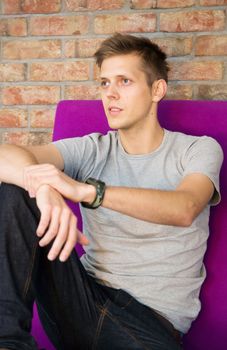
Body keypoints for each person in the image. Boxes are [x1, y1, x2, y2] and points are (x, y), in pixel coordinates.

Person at [0, 33, 223, 350]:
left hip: (149, 323)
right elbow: (4, 155)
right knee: (14, 190)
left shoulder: (197, 150)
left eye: (124, 82)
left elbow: (185, 207)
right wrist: (43, 187)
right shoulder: (92, 149)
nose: (110, 94)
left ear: (157, 89)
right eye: (104, 83)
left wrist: (87, 191)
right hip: (83, 301)